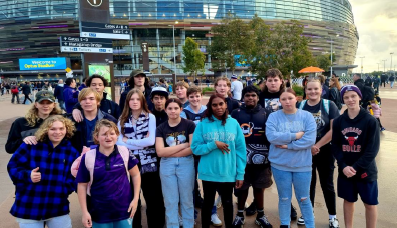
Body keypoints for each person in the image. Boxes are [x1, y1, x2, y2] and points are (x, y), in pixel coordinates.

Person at [7, 115, 79, 228]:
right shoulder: (31, 146)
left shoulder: (71, 152)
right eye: (53, 129)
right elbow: (12, 166)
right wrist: (27, 175)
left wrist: (64, 189)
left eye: (61, 128)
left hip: (57, 205)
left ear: (67, 129)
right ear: (46, 130)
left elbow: (74, 176)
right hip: (30, 205)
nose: (58, 132)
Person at [191, 94, 246, 228]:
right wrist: (213, 144)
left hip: (228, 171)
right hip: (208, 172)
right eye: (214, 105)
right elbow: (195, 149)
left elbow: (240, 150)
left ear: (226, 104)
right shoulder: (203, 124)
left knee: (228, 203)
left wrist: (240, 173)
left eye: (221, 104)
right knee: (208, 203)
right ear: (210, 107)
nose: (218, 107)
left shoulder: (234, 123)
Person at [266, 88, 317, 228]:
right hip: (280, 165)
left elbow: (309, 140)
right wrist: (294, 136)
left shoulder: (307, 116)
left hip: (302, 165)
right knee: (284, 198)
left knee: (304, 198)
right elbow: (271, 137)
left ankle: (310, 225)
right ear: (280, 101)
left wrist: (289, 146)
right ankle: (284, 224)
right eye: (283, 99)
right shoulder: (273, 117)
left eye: (290, 98)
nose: (287, 101)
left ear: (296, 99)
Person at [76, 119, 141, 228]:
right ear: (96, 137)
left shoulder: (124, 152)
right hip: (99, 212)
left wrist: (135, 199)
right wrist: (85, 212)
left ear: (117, 135)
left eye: (112, 133)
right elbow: (81, 185)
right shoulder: (88, 157)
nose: (108, 137)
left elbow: (136, 175)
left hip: (124, 210)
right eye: (104, 134)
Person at [332, 85, 380, 228]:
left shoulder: (370, 121)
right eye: (346, 97)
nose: (350, 100)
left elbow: (372, 149)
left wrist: (356, 167)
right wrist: (343, 165)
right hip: (345, 170)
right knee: (348, 200)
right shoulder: (339, 121)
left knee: (370, 203)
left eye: (353, 96)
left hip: (365, 171)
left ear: (359, 97)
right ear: (343, 100)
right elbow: (335, 145)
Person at [117, 88, 165, 228]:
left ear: (143, 101)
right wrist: (137, 143)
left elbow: (150, 142)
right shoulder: (122, 118)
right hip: (130, 164)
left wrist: (128, 141)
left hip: (149, 163)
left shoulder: (150, 117)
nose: (135, 102)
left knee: (153, 199)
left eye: (138, 99)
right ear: (128, 102)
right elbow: (118, 142)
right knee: (132, 199)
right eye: (132, 99)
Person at [298, 79, 341, 227]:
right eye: (309, 89)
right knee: (308, 183)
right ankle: (308, 213)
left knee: (327, 184)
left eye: (316, 89)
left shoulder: (330, 105)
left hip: (325, 150)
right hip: (306, 151)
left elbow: (334, 129)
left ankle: (332, 216)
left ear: (321, 90)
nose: (312, 92)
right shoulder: (301, 105)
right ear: (305, 90)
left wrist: (317, 145)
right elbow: (298, 128)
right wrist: (309, 145)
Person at [256, 68, 298, 218]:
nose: (273, 83)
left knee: (283, 175)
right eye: (269, 80)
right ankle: (257, 202)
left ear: (281, 81)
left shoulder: (286, 96)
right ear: (265, 82)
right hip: (262, 140)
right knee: (260, 174)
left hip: (283, 140)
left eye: (275, 80)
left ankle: (289, 204)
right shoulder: (259, 96)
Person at [230, 86, 273, 228]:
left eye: (253, 95)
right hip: (241, 160)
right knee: (242, 188)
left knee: (259, 188)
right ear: (243, 97)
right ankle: (239, 215)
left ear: (258, 97)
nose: (250, 98)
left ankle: (261, 215)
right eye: (247, 95)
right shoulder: (235, 113)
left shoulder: (267, 113)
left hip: (263, 159)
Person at [155, 99, 196, 228]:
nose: (173, 111)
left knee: (187, 199)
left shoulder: (189, 125)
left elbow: (192, 148)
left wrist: (169, 152)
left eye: (176, 108)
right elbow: (160, 152)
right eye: (170, 108)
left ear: (181, 109)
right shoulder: (161, 128)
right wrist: (183, 145)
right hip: (167, 165)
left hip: (186, 163)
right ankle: (172, 225)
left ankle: (188, 225)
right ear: (165, 110)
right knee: (170, 200)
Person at [179, 86, 208, 223]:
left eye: (197, 96)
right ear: (188, 98)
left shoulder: (208, 111)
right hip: (191, 152)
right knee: (190, 185)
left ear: (201, 96)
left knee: (209, 184)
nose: (195, 99)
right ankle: (191, 215)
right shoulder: (184, 112)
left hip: (206, 152)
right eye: (192, 97)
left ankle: (212, 212)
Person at [69, 88, 117, 153]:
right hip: (78, 157)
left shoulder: (109, 120)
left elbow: (114, 141)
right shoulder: (71, 120)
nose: (87, 102)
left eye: (91, 99)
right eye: (84, 99)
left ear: (98, 102)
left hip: (102, 157)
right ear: (80, 102)